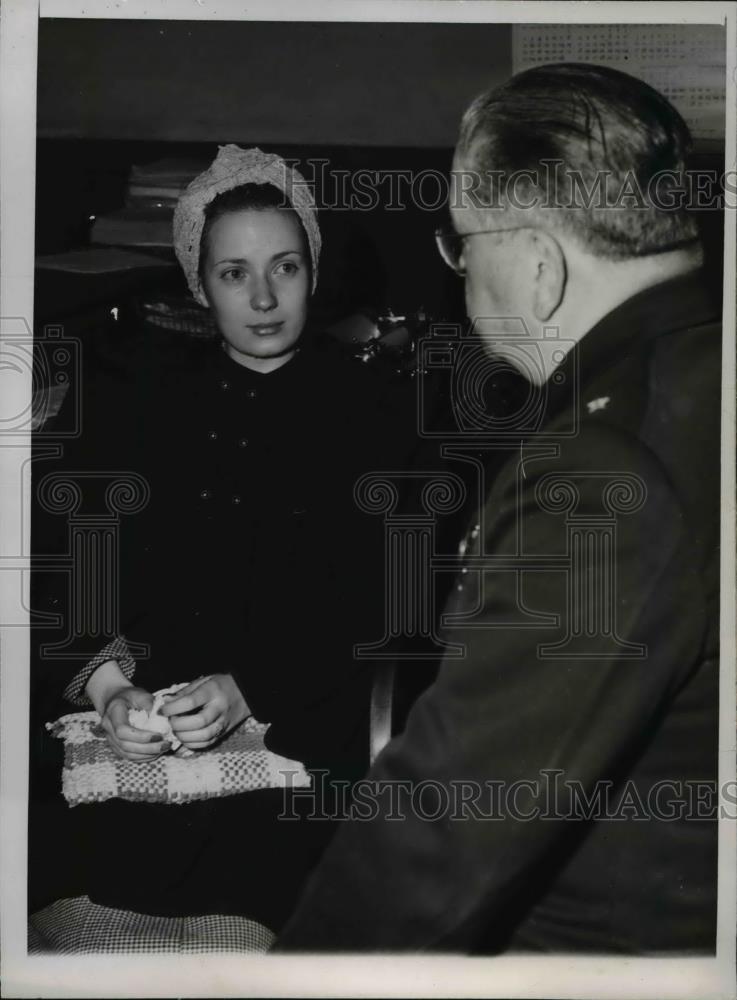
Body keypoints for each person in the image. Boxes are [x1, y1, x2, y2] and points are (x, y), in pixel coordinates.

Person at [274, 64, 721, 953]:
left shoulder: (598, 465)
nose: (458, 266)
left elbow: (445, 828)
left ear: (538, 267)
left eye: (461, 241)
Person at [29, 145, 412, 949]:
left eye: (286, 267)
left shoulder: (375, 408)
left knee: (238, 935)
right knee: (72, 924)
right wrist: (104, 689)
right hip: (132, 723)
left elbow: (385, 595)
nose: (265, 297)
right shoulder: (135, 397)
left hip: (294, 728)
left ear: (316, 271)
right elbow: (68, 559)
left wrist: (249, 686)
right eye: (234, 273)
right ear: (199, 283)